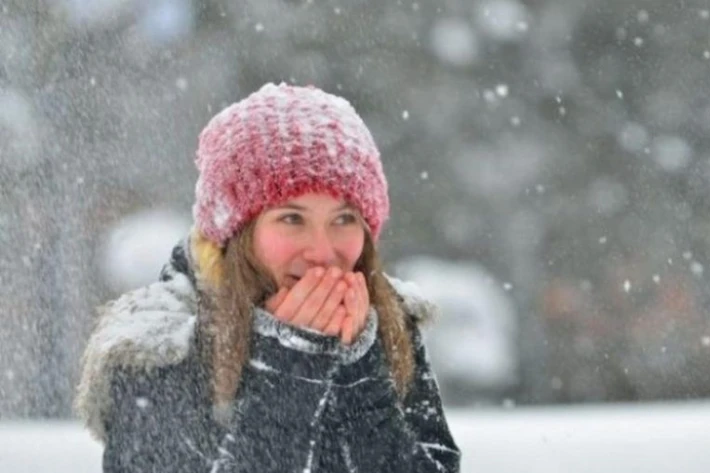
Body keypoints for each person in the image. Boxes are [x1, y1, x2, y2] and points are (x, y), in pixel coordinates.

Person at [75, 83, 461, 472]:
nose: (323, 252)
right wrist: (290, 365)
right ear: (237, 233)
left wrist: (361, 376)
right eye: (292, 218)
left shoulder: (386, 324)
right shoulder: (161, 347)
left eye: (344, 219)